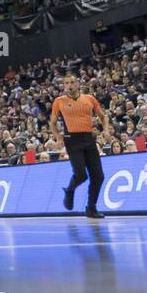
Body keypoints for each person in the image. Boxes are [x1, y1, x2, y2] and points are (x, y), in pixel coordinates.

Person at [51, 74, 109, 218]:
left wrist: (106, 130)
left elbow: (103, 116)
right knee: (81, 175)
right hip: (72, 140)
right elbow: (52, 123)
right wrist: (58, 138)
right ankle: (70, 190)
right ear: (64, 86)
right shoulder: (59, 101)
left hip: (88, 138)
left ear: (78, 84)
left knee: (98, 176)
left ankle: (91, 208)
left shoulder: (89, 98)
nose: (69, 85)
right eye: (66, 83)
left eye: (72, 82)